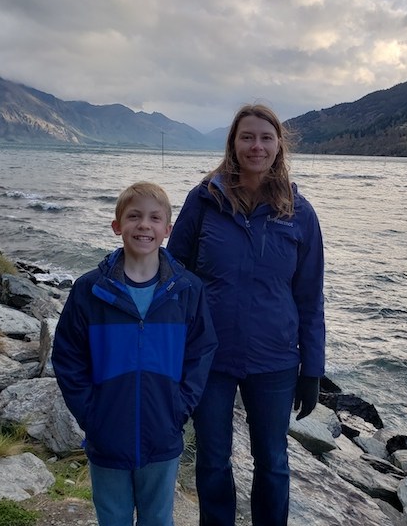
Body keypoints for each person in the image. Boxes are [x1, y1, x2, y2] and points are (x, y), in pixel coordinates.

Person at [167, 104, 326, 526]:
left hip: (275, 361)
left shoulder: (299, 213)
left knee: (272, 460)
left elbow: (310, 298)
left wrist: (312, 370)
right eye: (247, 137)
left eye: (265, 138)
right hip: (210, 357)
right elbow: (173, 276)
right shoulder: (204, 201)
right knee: (212, 458)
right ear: (233, 144)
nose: (257, 146)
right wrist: (169, 347)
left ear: (279, 146)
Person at [52, 181, 218, 526]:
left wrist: (180, 407)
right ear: (117, 226)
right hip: (107, 434)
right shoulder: (89, 290)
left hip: (163, 432)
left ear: (168, 229)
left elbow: (201, 352)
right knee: (112, 516)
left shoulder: (187, 290)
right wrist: (90, 414)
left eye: (155, 218)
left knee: (158, 517)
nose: (144, 225)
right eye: (134, 216)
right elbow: (68, 356)